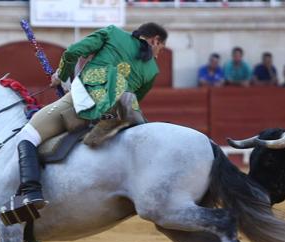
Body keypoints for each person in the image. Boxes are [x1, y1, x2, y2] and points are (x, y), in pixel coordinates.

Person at [9, 22, 167, 212]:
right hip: (117, 115)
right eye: (161, 48)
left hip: (82, 102)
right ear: (155, 40)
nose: (159, 53)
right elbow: (133, 100)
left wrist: (61, 75)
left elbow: (71, 53)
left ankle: (31, 192)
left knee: (27, 135)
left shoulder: (113, 33)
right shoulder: (152, 70)